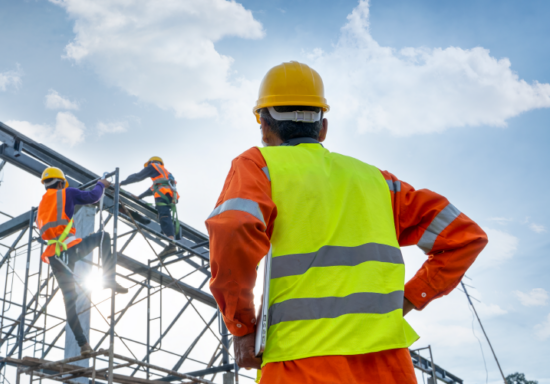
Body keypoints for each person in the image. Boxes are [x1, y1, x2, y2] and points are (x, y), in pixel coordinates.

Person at [205, 61, 488, 384]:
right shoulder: (378, 181)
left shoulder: (258, 165)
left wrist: (241, 326)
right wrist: (409, 299)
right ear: (323, 127)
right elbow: (466, 237)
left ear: (264, 126)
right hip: (388, 365)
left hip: (300, 361)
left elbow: (233, 229)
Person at [36, 167, 128, 356]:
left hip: (55, 255)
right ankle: (108, 278)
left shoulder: (43, 204)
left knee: (69, 301)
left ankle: (83, 345)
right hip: (70, 248)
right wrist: (101, 184)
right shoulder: (67, 193)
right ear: (61, 182)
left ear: (46, 184)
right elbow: (93, 197)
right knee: (104, 236)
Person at [121, 157, 180, 254]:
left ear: (151, 162)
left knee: (164, 216)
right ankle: (171, 241)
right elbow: (152, 189)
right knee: (164, 215)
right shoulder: (165, 174)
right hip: (170, 196)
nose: (147, 167)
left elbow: (137, 176)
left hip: (163, 195)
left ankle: (171, 242)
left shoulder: (153, 166)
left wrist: (121, 183)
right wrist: (139, 197)